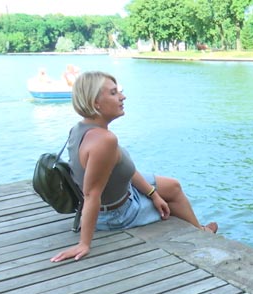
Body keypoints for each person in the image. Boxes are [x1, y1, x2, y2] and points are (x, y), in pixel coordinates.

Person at [51, 71, 217, 263]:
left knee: (173, 186)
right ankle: (201, 235)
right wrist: (84, 244)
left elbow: (123, 169)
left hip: (123, 192)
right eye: (114, 93)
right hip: (117, 215)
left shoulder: (81, 128)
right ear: (95, 102)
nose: (123, 97)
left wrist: (153, 194)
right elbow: (91, 194)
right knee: (173, 202)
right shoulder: (104, 141)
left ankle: (200, 230)